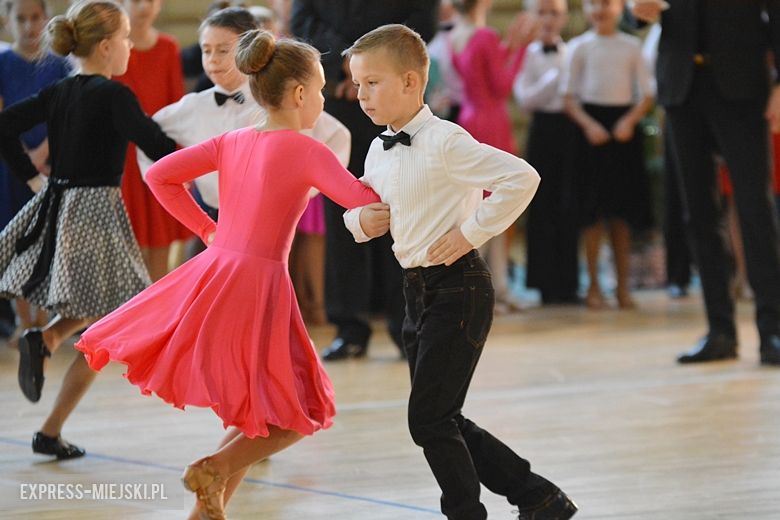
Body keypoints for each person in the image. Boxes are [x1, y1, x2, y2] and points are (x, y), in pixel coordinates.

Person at [74, 30, 382, 520]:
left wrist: (207, 228)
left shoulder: (233, 140)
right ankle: (214, 466)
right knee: (305, 412)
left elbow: (159, 176)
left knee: (257, 413)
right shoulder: (308, 150)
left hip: (217, 272)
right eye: (321, 89)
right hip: (256, 285)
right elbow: (365, 204)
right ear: (300, 94)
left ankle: (206, 508)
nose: (323, 99)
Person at [342, 24, 577, 520]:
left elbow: (522, 177)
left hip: (459, 288)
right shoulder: (376, 147)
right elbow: (357, 206)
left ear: (411, 81)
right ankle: (539, 497)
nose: (361, 95)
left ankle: (468, 513)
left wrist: (472, 233)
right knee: (441, 416)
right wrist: (360, 220)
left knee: (428, 419)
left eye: (372, 83)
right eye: (357, 84)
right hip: (415, 293)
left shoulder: (446, 141)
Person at [0, 0, 176, 458]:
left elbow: (4, 125)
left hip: (59, 202)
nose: (130, 46)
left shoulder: (61, 90)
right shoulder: (114, 95)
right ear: (104, 46)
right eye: (124, 40)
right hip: (95, 211)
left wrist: (35, 179)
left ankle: (49, 369)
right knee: (117, 313)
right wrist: (211, 155)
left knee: (111, 311)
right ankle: (50, 354)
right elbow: (156, 144)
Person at [136, 6, 351, 326]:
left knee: (262, 312)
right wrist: (186, 184)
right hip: (215, 223)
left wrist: (307, 188)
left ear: (252, 50)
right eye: (207, 51)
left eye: (223, 50)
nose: (213, 60)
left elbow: (335, 134)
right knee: (196, 313)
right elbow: (149, 138)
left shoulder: (275, 103)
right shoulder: (193, 106)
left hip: (268, 228)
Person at [632, 0, 780, 365]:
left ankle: (772, 331)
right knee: (697, 213)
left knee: (755, 210)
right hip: (681, 89)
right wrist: (635, 12)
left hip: (743, 84)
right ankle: (720, 332)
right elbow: (632, 13)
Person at [291, 0, 438, 360]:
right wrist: (345, 63)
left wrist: (371, 63)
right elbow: (303, 20)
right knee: (344, 214)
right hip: (338, 100)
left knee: (403, 210)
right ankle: (349, 327)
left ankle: (408, 324)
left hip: (397, 100)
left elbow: (423, 20)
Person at [562, 0, 654, 309]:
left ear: (619, 7)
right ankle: (593, 286)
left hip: (623, 132)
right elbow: (569, 96)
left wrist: (629, 120)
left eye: (607, 3)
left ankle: (623, 288)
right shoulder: (579, 47)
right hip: (591, 132)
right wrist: (589, 125)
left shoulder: (631, 46)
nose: (600, 9)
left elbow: (647, 92)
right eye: (594, 3)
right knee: (591, 215)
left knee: (622, 214)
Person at [0, 0, 70, 340]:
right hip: (9, 165)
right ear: (7, 21)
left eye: (36, 18)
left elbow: (66, 117)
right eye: (22, 19)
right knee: (14, 237)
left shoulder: (60, 65)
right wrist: (23, 157)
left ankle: (43, 320)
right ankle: (21, 319)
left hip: (51, 162)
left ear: (47, 18)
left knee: (46, 240)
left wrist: (43, 152)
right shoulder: (2, 63)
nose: (29, 27)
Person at [114, 0, 190, 282]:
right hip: (122, 156)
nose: (144, 7)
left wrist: (179, 161)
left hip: (158, 151)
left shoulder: (168, 47)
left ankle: (156, 312)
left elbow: (177, 105)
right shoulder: (114, 49)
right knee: (127, 239)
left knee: (160, 236)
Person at [514, 0, 580, 305]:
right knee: (541, 205)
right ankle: (543, 284)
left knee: (569, 203)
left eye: (554, 13)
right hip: (542, 130)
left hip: (570, 130)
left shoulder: (574, 53)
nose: (548, 19)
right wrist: (556, 77)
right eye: (542, 12)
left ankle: (568, 283)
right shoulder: (526, 54)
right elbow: (526, 99)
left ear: (564, 18)